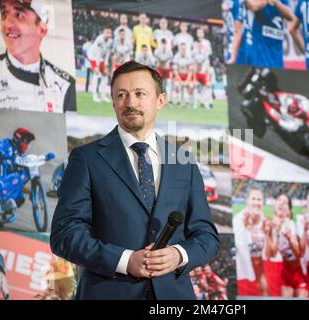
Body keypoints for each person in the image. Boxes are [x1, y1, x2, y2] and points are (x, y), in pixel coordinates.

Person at [50, 61, 220, 300]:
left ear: (160, 100)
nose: (130, 103)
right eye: (122, 95)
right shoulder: (85, 159)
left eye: (140, 94)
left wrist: (179, 254)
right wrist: (125, 260)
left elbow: (207, 236)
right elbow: (65, 235)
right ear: (113, 102)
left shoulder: (184, 162)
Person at [0, 0, 76, 112]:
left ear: (42, 29)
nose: (7, 24)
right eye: (4, 13)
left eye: (19, 15)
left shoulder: (66, 87)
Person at [264, 194, 309, 298]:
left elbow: (299, 254)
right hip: (286, 274)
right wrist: (271, 233)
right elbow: (272, 254)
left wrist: (290, 239)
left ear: (289, 211)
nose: (281, 203)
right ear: (275, 206)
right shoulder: (272, 227)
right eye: (279, 200)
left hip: (299, 272)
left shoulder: (291, 225)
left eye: (285, 202)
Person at [233, 186, 269, 296]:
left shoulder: (265, 220)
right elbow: (238, 247)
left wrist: (267, 234)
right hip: (244, 270)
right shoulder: (239, 219)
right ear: (247, 200)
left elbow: (268, 253)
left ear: (263, 202)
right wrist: (246, 229)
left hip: (260, 269)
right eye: (253, 199)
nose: (256, 202)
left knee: (266, 292)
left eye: (259, 199)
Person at [244, 0, 294, 68]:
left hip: (277, 58)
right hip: (259, 57)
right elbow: (254, 6)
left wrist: (276, 2)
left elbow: (291, 16)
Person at [88, 27, 113, 103]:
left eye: (109, 33)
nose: (108, 34)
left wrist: (105, 65)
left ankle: (103, 96)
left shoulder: (110, 41)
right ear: (103, 33)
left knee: (105, 74)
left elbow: (107, 54)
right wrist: (97, 66)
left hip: (101, 58)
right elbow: (97, 53)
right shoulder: (99, 39)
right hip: (93, 56)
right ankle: (94, 96)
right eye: (107, 32)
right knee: (96, 73)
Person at [172, 43, 194, 108]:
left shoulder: (189, 57)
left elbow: (190, 71)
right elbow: (175, 71)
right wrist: (180, 81)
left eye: (184, 48)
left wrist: (187, 80)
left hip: (187, 75)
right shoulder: (176, 57)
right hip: (179, 75)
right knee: (176, 85)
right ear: (180, 49)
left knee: (191, 86)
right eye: (182, 48)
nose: (183, 50)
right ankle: (179, 102)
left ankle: (187, 102)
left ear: (186, 49)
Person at [192, 41, 212, 109]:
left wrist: (207, 76)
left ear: (202, 46)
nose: (199, 47)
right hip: (197, 74)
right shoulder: (194, 53)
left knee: (206, 88)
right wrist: (194, 76)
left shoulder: (205, 54)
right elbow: (194, 65)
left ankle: (206, 103)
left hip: (203, 74)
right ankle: (195, 103)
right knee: (196, 88)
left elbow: (207, 65)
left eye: (201, 45)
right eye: (198, 45)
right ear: (197, 46)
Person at [154, 38, 174, 103]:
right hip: (160, 69)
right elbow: (156, 61)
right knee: (159, 84)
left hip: (167, 69)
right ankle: (158, 99)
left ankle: (169, 100)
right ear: (160, 44)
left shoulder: (170, 52)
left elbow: (170, 62)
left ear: (166, 45)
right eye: (162, 44)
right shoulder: (157, 51)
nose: (164, 46)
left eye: (165, 44)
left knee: (167, 84)